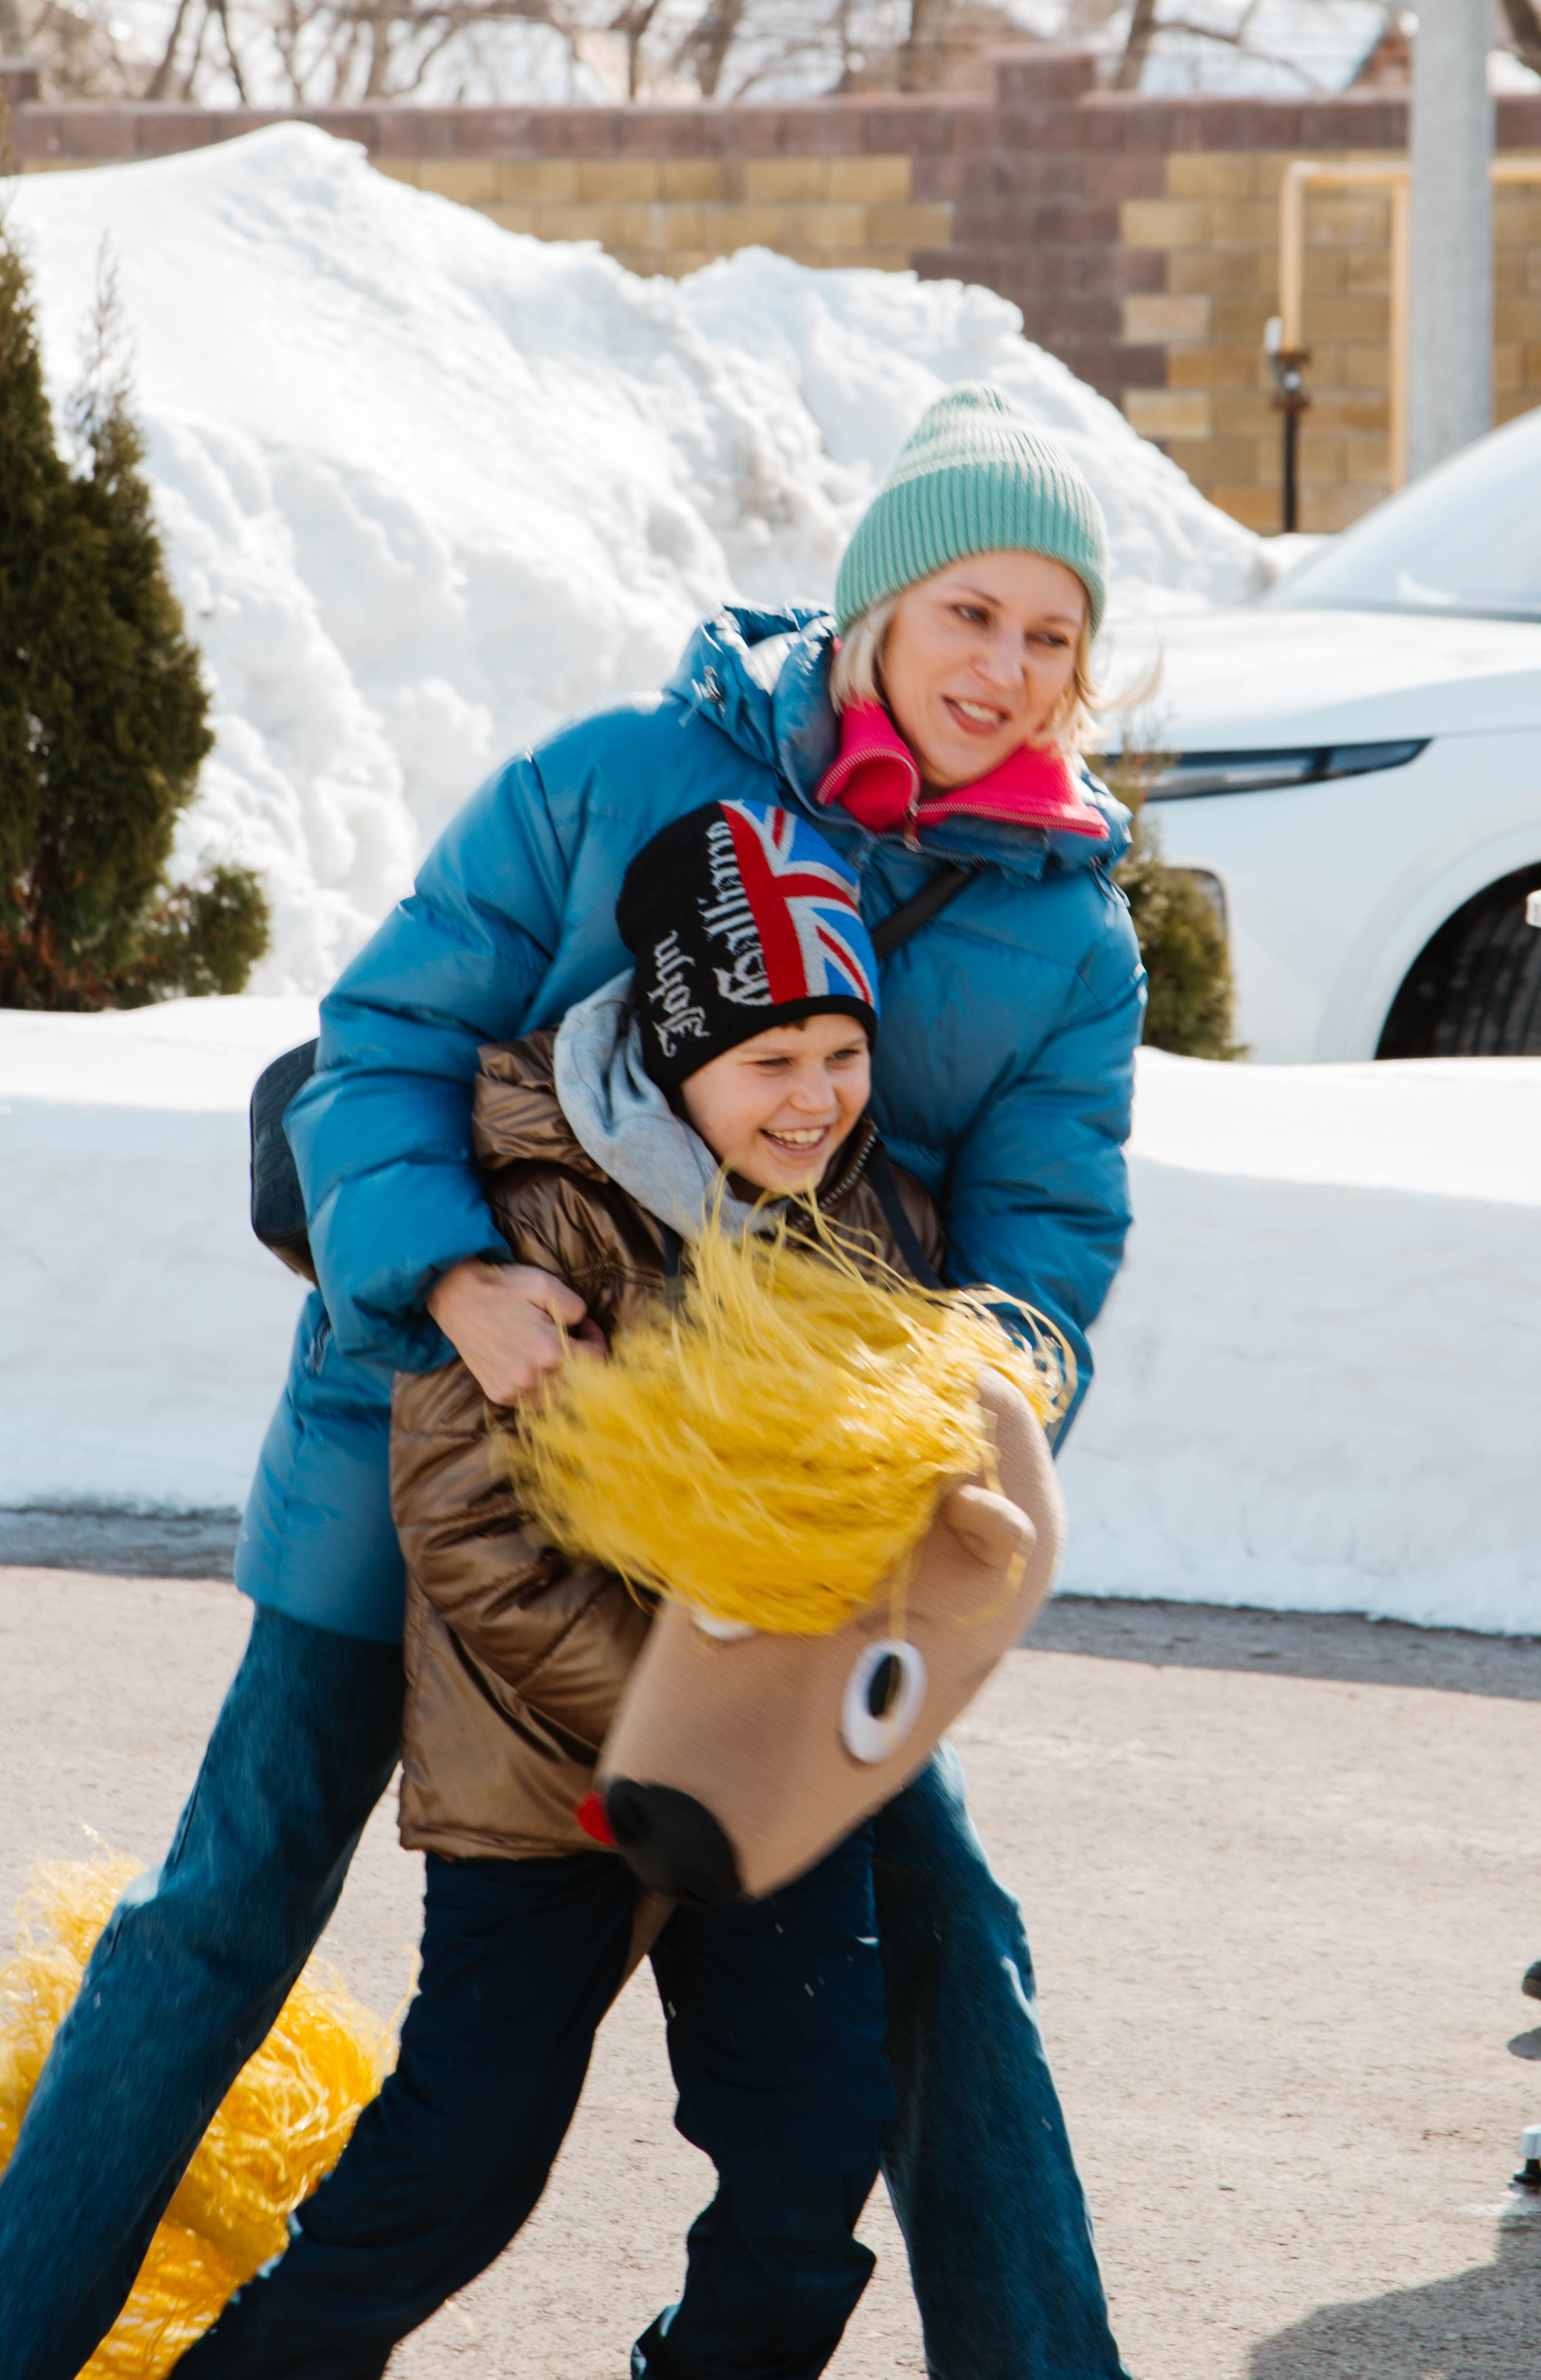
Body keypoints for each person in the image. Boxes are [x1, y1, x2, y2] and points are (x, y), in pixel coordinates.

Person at [0, 382, 1144, 2380]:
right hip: (430, 1409)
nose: (1007, 669)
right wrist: (452, 1274)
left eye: (1053, 636)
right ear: (879, 603)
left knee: (943, 1936)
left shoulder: (1064, 928)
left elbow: (1040, 1256)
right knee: (234, 1894)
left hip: (762, 1523)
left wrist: (930, 1429)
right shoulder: (620, 774)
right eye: (972, 610)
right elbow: (378, 1044)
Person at [177, 799, 940, 2377]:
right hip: (543, 1776)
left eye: (841, 1051)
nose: (815, 1098)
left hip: (766, 1787)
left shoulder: (864, 1218)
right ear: (677, 1047)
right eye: (770, 1059)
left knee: (811, 2158)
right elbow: (472, 1536)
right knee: (459, 2165)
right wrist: (682, 1721)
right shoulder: (536, 1210)